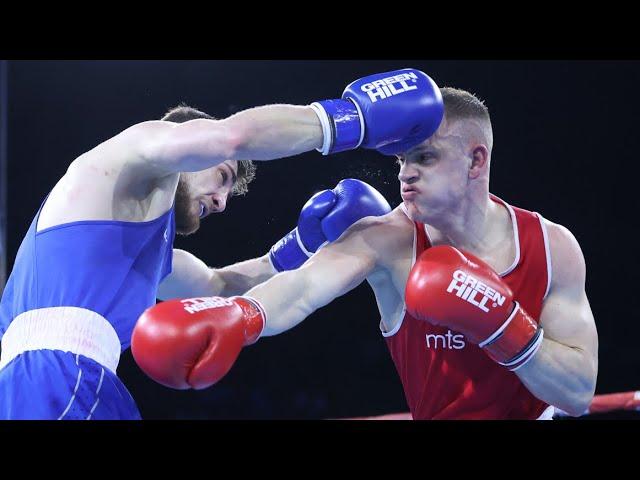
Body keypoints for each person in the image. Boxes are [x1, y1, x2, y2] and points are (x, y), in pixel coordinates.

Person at [0, 68, 444, 419]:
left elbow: (220, 286)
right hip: (54, 377)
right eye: (223, 177)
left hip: (60, 380)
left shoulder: (144, 255)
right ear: (186, 143)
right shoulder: (132, 151)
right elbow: (228, 137)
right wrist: (350, 119)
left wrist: (304, 244)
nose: (222, 201)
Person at [134, 87, 599, 419]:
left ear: (476, 161)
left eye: (425, 157)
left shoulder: (552, 246)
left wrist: (502, 324)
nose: (406, 174)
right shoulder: (385, 238)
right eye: (401, 160)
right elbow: (302, 288)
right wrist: (241, 316)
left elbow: (578, 394)